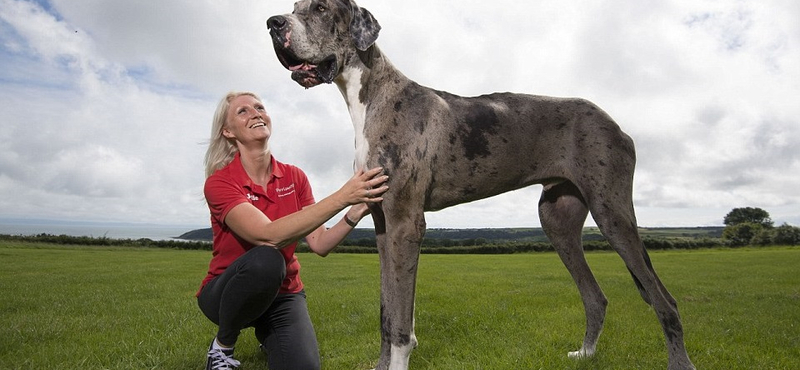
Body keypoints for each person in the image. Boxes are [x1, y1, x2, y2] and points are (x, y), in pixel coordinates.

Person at [197, 91, 388, 370]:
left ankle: (270, 335)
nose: (256, 113)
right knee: (267, 259)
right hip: (226, 295)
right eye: (243, 111)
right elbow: (267, 235)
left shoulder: (294, 177)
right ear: (228, 131)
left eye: (260, 107)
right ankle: (223, 347)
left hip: (284, 294)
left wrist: (354, 212)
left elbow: (320, 244)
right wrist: (344, 195)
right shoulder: (220, 183)